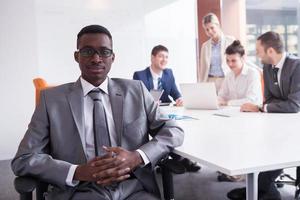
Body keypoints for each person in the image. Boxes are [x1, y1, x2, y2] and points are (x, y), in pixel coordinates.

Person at [11, 25, 184, 200]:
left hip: (134, 188)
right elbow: (23, 159)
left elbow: (173, 131)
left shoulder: (136, 91)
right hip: (79, 190)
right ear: (76, 56)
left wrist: (137, 157)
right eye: (87, 51)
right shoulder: (51, 100)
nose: (96, 58)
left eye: (104, 52)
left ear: (113, 57)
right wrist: (77, 172)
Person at [228, 31, 300, 200]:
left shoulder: (297, 66)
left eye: (259, 50)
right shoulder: (267, 68)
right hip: (277, 120)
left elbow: (295, 105)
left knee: (276, 146)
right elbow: (268, 99)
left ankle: (263, 190)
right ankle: (258, 189)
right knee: (260, 142)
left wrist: (264, 108)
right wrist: (266, 108)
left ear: (270, 51)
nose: (256, 54)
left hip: (296, 123)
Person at [133, 45, 200, 172]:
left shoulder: (169, 73)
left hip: (168, 111)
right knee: (163, 129)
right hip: (151, 114)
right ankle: (170, 159)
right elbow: (136, 99)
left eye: (166, 57)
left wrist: (180, 98)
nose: (164, 60)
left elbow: (175, 92)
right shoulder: (140, 75)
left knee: (178, 127)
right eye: (161, 56)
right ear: (152, 58)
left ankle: (180, 158)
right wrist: (150, 103)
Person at [218, 40, 263, 107]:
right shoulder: (229, 75)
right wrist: (218, 100)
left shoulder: (252, 74)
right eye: (227, 60)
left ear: (242, 58)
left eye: (234, 61)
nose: (230, 64)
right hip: (233, 112)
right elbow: (222, 95)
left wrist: (228, 103)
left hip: (252, 113)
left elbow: (251, 100)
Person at [199, 12, 235, 92]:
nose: (210, 32)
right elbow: (202, 69)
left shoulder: (230, 41)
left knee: (227, 104)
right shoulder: (205, 46)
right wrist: (201, 86)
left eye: (212, 28)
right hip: (210, 82)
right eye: (207, 29)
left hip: (226, 80)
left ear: (218, 25)